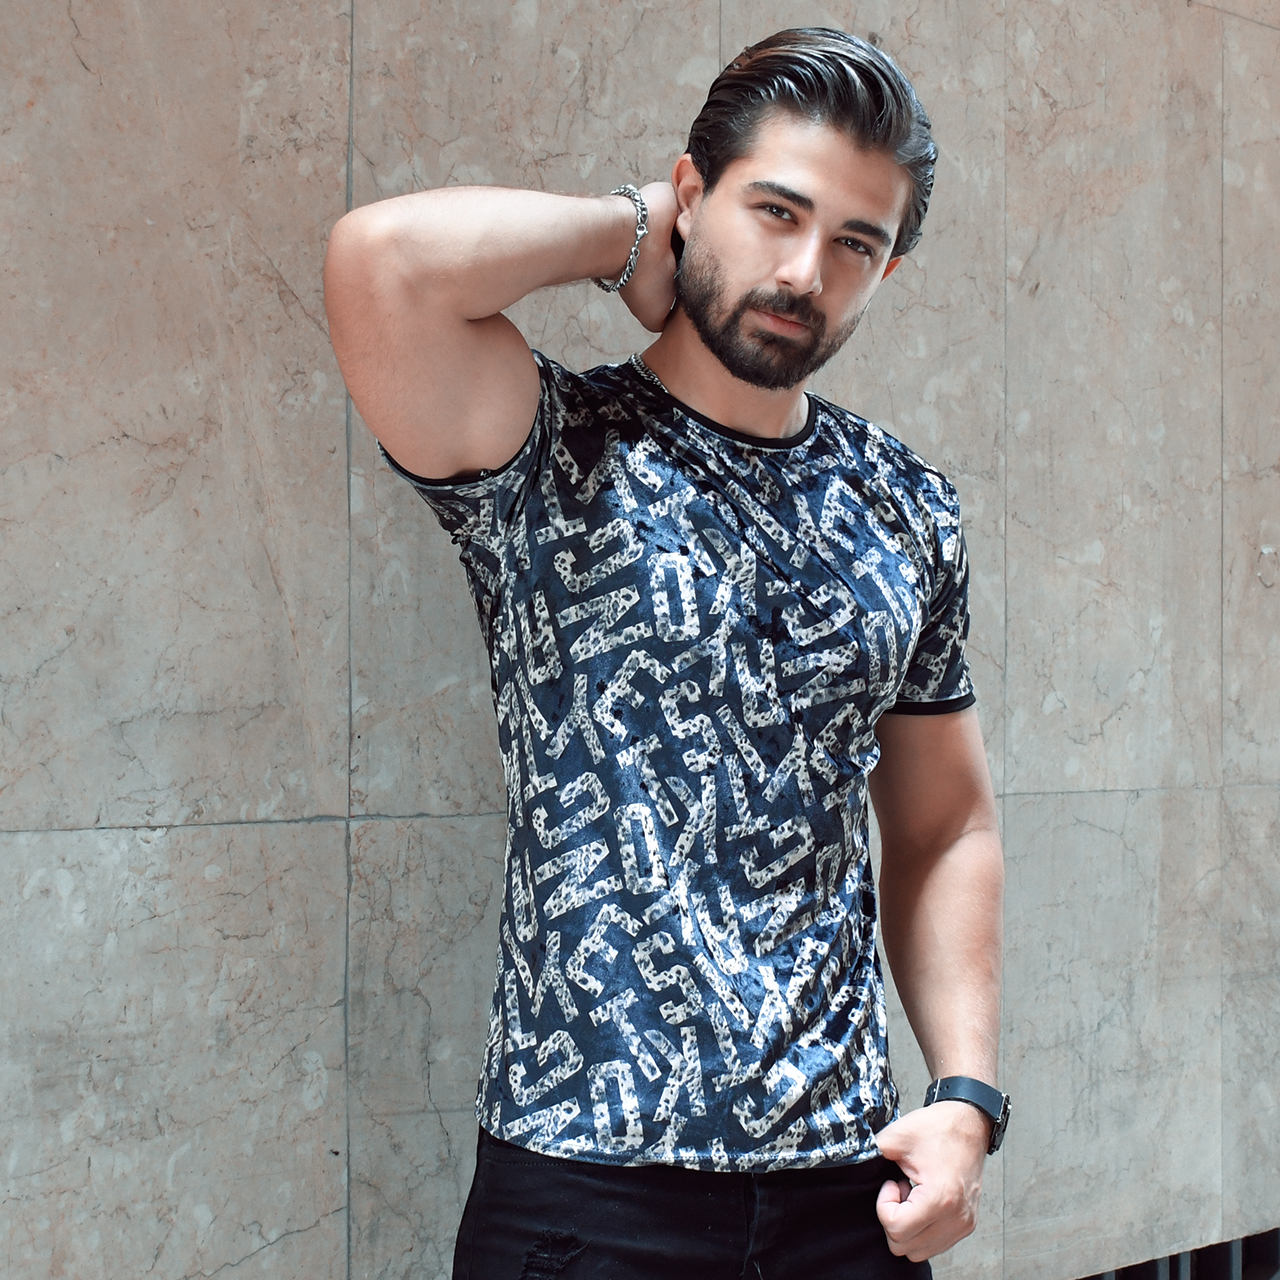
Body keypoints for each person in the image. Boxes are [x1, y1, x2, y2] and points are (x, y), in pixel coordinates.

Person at [324, 27, 1007, 1279]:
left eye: (854, 243)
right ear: (695, 192)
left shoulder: (906, 504)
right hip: (584, 1188)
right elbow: (382, 264)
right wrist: (631, 231)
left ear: (887, 268)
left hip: (844, 1190)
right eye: (773, 211)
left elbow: (943, 821)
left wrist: (963, 1095)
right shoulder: (552, 448)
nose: (803, 271)